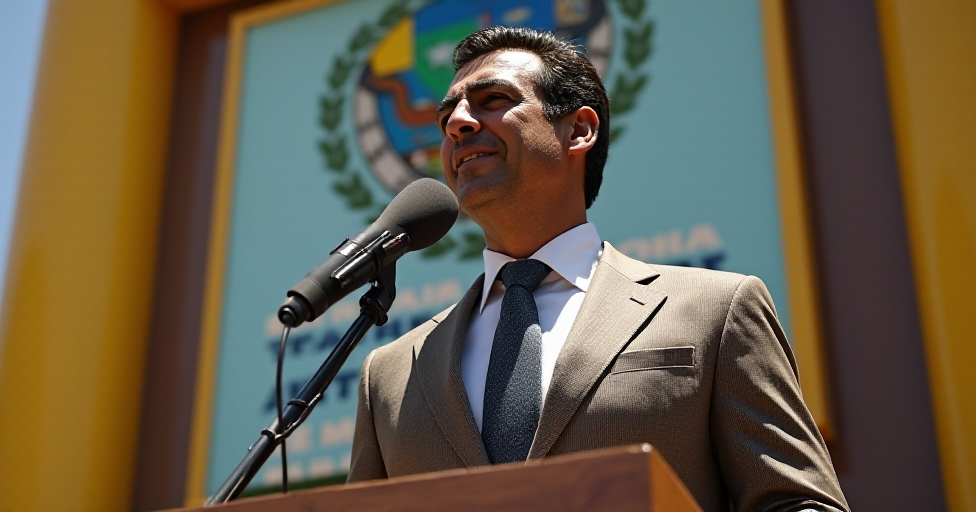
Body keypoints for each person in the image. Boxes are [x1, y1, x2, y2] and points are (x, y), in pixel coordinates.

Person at [347, 26, 849, 511]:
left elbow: (799, 503)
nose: (457, 122)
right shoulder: (389, 374)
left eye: (493, 100)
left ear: (580, 130)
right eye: (446, 116)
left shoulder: (716, 311)